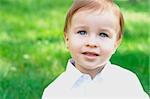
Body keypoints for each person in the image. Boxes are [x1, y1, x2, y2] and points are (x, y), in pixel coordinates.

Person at [42, 0, 149, 99]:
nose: (92, 43)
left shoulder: (127, 83)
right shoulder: (55, 92)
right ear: (67, 39)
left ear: (116, 43)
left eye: (103, 34)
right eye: (82, 32)